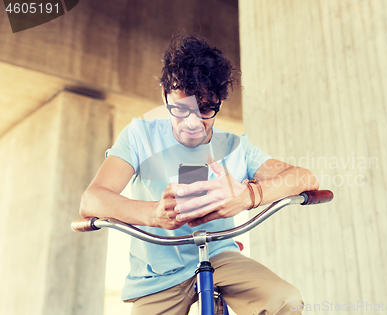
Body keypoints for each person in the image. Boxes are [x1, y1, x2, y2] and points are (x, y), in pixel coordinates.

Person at [79, 35, 319, 315]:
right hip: (157, 275)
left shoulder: (236, 147)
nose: (193, 123)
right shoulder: (139, 135)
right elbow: (91, 200)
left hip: (220, 258)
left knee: (284, 300)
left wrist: (249, 196)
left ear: (220, 102)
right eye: (181, 108)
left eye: (205, 109)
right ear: (163, 94)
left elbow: (306, 179)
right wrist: (153, 214)